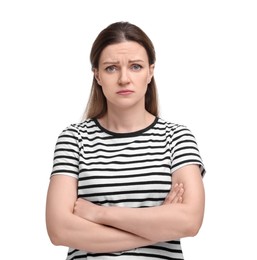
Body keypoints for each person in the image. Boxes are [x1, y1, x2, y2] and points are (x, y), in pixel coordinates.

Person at [46, 21, 206, 260]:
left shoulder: (177, 138)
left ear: (150, 72)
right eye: (111, 68)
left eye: (135, 67)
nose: (124, 78)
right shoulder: (74, 139)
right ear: (97, 75)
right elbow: (59, 230)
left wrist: (98, 214)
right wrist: (159, 224)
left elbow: (190, 221)